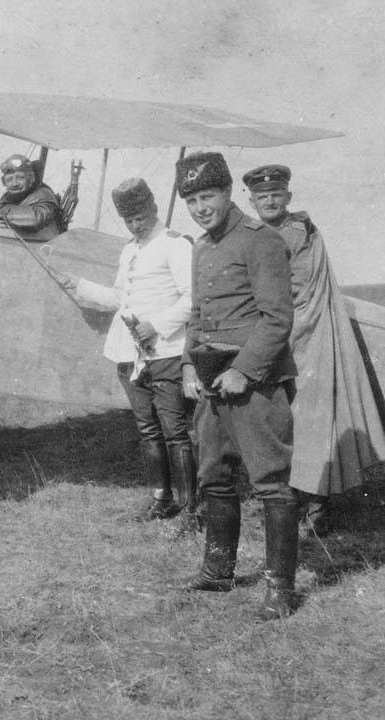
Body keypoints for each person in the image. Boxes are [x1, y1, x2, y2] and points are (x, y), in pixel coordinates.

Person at [177, 151, 301, 620]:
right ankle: (218, 572)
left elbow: (277, 319)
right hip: (211, 380)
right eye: (191, 199)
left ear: (228, 193)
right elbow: (197, 315)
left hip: (255, 380)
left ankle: (279, 589)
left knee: (271, 481)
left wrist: (243, 371)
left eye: (206, 196)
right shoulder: (201, 247)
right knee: (215, 475)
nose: (200, 207)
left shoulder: (261, 240)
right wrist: (191, 365)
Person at [243, 164, 385, 535]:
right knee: (279, 419)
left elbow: (298, 292)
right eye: (262, 196)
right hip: (276, 338)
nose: (269, 200)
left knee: (311, 419)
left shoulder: (297, 232)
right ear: (252, 200)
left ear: (288, 197)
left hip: (307, 340)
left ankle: (317, 503)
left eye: (276, 194)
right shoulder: (256, 234)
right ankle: (291, 496)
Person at [60, 178, 198, 525]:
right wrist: (80, 285)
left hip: (166, 351)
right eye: (129, 220)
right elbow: (120, 297)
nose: (136, 224)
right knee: (147, 429)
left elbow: (193, 298)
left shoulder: (176, 245)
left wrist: (158, 324)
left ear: (153, 208)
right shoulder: (130, 250)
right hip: (131, 356)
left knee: (175, 430)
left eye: (140, 216)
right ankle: (162, 498)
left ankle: (191, 506)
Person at [0, 154, 61, 237]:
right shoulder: (11, 195)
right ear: (4, 182)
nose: (14, 184)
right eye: (9, 179)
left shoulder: (43, 194)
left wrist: (2, 209)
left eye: (20, 178)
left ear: (31, 178)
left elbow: (35, 219)